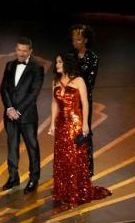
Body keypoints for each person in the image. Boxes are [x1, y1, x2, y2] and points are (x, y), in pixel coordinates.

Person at [48, 54, 111, 207]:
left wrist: (85, 125)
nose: (57, 64)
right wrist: (52, 124)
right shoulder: (55, 81)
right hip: (61, 124)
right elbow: (54, 104)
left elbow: (85, 103)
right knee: (62, 158)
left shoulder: (79, 80)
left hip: (75, 123)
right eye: (56, 62)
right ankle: (63, 191)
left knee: (74, 158)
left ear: (67, 63)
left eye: (60, 62)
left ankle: (76, 191)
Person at [0, 38, 44, 193]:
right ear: (15, 49)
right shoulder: (9, 65)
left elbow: (34, 93)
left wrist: (18, 110)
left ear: (30, 51)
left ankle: (34, 179)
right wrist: (9, 108)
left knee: (32, 147)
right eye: (19, 50)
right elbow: (4, 88)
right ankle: (13, 177)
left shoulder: (37, 67)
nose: (21, 53)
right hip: (10, 115)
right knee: (12, 147)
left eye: (25, 51)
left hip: (27, 116)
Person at [68, 24, 100, 176]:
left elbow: (89, 84)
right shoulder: (69, 55)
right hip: (68, 99)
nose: (75, 42)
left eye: (79, 40)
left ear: (86, 40)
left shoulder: (93, 58)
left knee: (84, 131)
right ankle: (69, 164)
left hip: (83, 101)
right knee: (68, 131)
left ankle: (86, 168)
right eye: (74, 39)